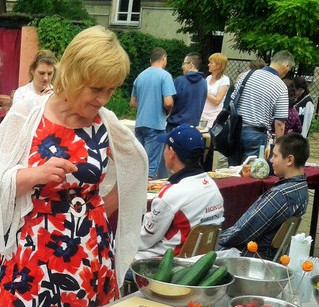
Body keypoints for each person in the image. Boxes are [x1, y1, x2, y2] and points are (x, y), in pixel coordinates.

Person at [0, 26, 148, 307]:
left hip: (88, 259)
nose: (103, 99)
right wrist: (33, 176)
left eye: (111, 90)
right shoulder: (27, 115)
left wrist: (98, 211)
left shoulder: (106, 122)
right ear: (72, 74)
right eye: (96, 88)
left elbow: (135, 174)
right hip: (31, 258)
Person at [136, 124, 224, 259]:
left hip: (169, 264)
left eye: (165, 147)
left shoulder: (171, 195)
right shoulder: (212, 186)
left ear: (171, 153)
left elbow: (144, 240)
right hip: (200, 261)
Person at [219, 133, 309, 259]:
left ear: (289, 160)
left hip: (251, 255)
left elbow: (242, 232)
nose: (271, 160)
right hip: (268, 254)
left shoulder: (281, 194)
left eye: (275, 155)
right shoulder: (302, 187)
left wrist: (216, 239)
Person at [227, 51, 294, 166]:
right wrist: (279, 147)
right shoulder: (280, 86)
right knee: (250, 173)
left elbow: (232, 102)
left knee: (232, 170)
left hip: (234, 130)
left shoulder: (246, 75)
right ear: (286, 65)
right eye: (290, 69)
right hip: (256, 135)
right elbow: (279, 123)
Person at [130, 48, 176, 179]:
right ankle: (147, 195)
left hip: (140, 124)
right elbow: (168, 102)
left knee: (140, 163)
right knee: (150, 167)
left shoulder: (140, 76)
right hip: (155, 124)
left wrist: (145, 106)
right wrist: (166, 111)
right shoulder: (165, 76)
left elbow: (133, 103)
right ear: (164, 59)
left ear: (151, 60)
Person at [166, 52, 207, 132]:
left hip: (175, 126)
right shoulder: (204, 83)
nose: (182, 66)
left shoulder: (179, 81)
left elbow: (169, 102)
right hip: (192, 128)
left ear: (191, 64)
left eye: (184, 63)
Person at [200, 53, 230, 128]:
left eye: (211, 63)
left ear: (219, 65)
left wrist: (204, 92)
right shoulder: (208, 78)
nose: (208, 65)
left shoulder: (224, 80)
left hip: (213, 117)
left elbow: (217, 101)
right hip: (202, 116)